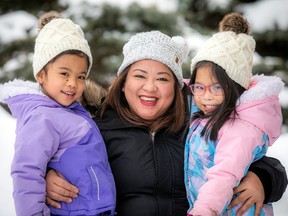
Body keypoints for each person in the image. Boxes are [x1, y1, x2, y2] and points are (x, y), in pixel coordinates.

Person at [45, 30, 287, 216]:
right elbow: (46, 156)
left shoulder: (200, 122)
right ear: (123, 81)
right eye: (139, 75)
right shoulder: (98, 126)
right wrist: (47, 176)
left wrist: (262, 178)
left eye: (162, 78)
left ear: (177, 85)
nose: (150, 88)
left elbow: (259, 156)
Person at [0, 11, 116, 216]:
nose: (73, 83)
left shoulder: (73, 111)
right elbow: (26, 173)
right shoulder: (42, 117)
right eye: (64, 73)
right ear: (41, 74)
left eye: (81, 76)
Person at [184, 12, 284, 215]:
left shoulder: (240, 128)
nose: (206, 97)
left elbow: (225, 173)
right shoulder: (207, 114)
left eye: (217, 88)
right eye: (199, 87)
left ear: (236, 88)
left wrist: (204, 210)